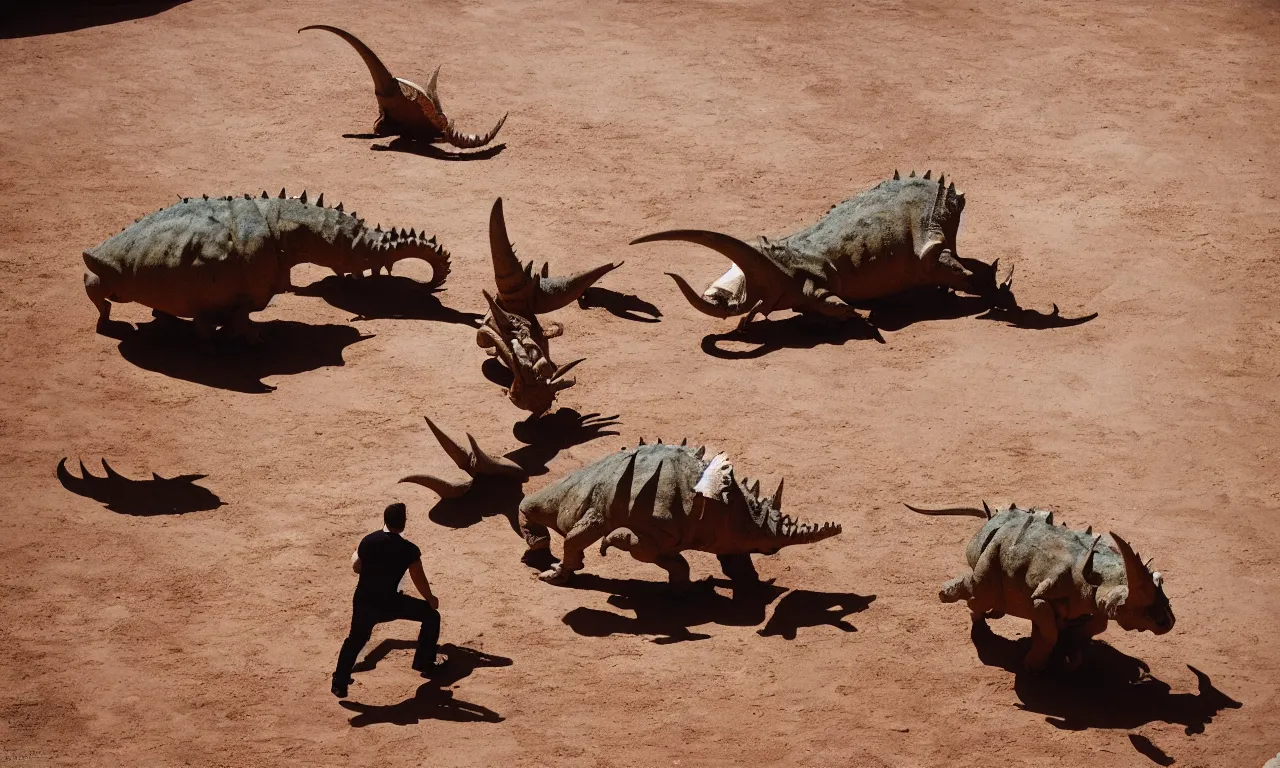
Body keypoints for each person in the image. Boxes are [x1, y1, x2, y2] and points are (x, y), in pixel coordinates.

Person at [332, 502, 443, 698]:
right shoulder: (409, 549)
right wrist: (430, 599)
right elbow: (418, 578)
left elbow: (357, 567)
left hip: (364, 601)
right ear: (404, 523)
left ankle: (339, 683)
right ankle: (423, 663)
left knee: (355, 640)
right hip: (390, 603)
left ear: (384, 520)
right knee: (431, 616)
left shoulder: (368, 541)